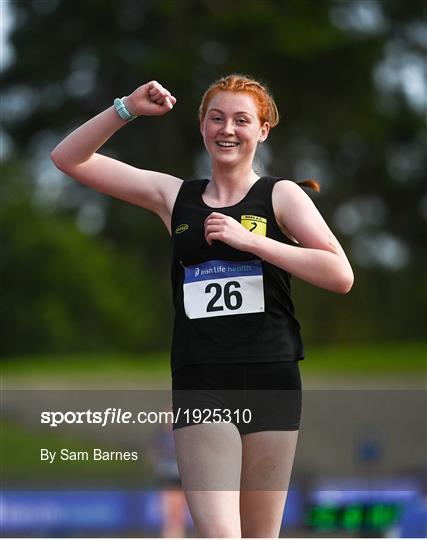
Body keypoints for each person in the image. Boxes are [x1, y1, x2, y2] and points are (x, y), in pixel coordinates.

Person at [51, 74, 354, 537]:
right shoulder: (175, 197)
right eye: (216, 118)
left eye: (241, 120)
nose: (227, 129)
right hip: (202, 382)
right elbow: (68, 158)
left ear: (263, 130)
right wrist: (126, 107)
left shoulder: (281, 195)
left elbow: (340, 274)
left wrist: (255, 243)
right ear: (202, 126)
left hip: (271, 378)